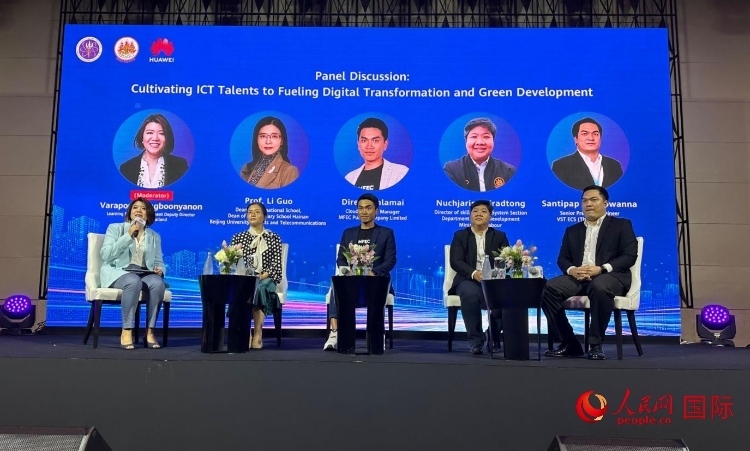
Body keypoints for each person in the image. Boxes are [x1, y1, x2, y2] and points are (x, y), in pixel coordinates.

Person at [542, 185, 638, 360]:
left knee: (599, 286)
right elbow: (563, 259)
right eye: (585, 201)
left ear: (605, 203)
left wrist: (601, 268)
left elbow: (629, 256)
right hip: (580, 277)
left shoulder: (621, 225)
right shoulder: (573, 230)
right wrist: (573, 270)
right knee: (547, 289)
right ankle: (569, 342)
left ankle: (595, 344)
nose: (588, 204)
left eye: (594, 200)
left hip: (610, 276)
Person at [324, 193, 397, 351]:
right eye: (360, 208)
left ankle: (377, 334)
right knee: (337, 285)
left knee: (374, 288)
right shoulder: (348, 233)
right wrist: (348, 272)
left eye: (368, 208)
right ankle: (335, 333)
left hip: (376, 281)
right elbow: (341, 259)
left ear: (376, 211)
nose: (364, 211)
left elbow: (390, 261)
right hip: (353, 280)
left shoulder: (386, 233)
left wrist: (373, 273)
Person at [99, 197, 166, 350]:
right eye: (135, 207)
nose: (138, 211)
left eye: (143, 208)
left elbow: (159, 261)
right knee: (133, 281)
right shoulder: (115, 228)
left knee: (158, 283)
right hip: (118, 271)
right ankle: (126, 330)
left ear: (148, 214)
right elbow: (106, 255)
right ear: (130, 213)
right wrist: (129, 234)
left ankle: (150, 331)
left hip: (143, 272)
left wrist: (160, 270)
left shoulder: (154, 236)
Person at [448, 200, 509, 354]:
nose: (479, 214)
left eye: (483, 211)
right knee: (470, 294)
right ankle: (476, 341)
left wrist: (496, 272)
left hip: (494, 280)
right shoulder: (460, 235)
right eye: (475, 211)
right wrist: (475, 273)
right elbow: (456, 261)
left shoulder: (499, 236)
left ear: (490, 216)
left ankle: (492, 334)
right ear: (470, 215)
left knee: (509, 293)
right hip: (468, 279)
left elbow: (506, 260)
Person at [230, 202, 284, 349]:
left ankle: (258, 332)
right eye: (250, 212)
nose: (253, 214)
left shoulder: (273, 237)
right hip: (246, 279)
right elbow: (234, 263)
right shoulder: (238, 237)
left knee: (259, 288)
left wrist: (262, 276)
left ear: (264, 217)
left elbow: (276, 265)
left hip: (267, 278)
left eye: (257, 212)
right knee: (242, 289)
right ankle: (245, 332)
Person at [443, 117, 516, 191]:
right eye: (474, 136)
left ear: (493, 141)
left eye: (486, 137)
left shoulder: (508, 171)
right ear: (466, 141)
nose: (480, 142)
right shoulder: (452, 170)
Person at [551, 117, 624, 190]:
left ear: (600, 138)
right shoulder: (561, 166)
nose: (591, 138)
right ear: (576, 139)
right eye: (585, 134)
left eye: (595, 134)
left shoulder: (614, 165)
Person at [119, 113, 189, 188]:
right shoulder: (126, 168)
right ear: (142, 137)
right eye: (150, 132)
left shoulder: (180, 166)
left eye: (161, 133)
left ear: (167, 138)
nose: (155, 138)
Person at [344, 117, 409, 190]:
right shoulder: (349, 178)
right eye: (364, 140)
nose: (369, 146)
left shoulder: (401, 173)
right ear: (358, 144)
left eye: (375, 141)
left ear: (385, 144)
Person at [240, 116, 299, 189]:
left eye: (274, 136)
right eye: (263, 136)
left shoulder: (289, 171)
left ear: (282, 141)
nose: (268, 141)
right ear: (256, 140)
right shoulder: (247, 168)